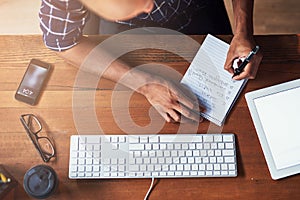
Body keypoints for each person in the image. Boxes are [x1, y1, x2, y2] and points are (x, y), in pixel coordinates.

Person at [39, 0, 262, 123]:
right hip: (123, 31)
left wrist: (243, 30)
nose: (150, 8)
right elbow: (62, 42)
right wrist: (144, 84)